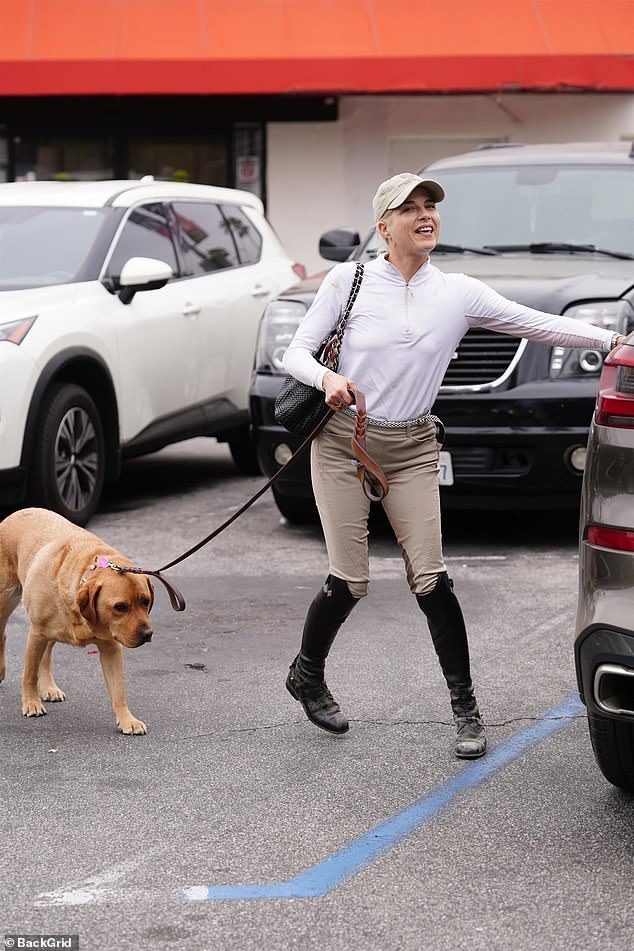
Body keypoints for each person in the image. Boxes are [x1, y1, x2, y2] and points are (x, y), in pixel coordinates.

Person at [282, 171, 627, 759]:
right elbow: (290, 352)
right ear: (383, 226)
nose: (425, 215)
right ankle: (306, 675)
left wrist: (615, 342)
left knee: (432, 579)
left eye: (431, 207)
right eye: (409, 208)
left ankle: (465, 709)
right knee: (350, 580)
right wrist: (328, 377)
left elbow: (537, 324)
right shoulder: (350, 279)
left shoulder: (458, 292)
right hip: (343, 443)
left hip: (414, 447)